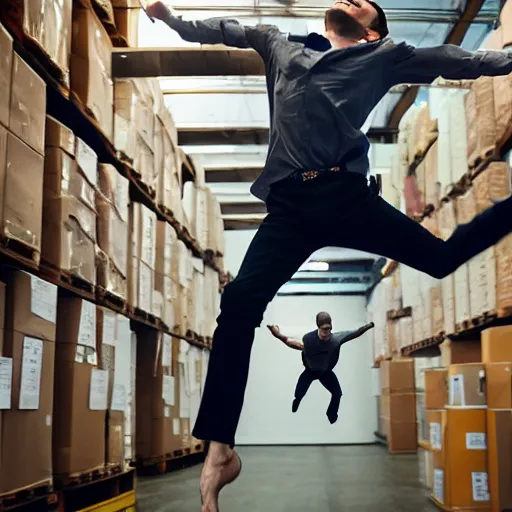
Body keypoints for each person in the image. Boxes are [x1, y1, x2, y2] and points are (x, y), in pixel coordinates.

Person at [145, 1, 512, 510]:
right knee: (239, 306)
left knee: (443, 258)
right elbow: (223, 29)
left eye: (363, 3)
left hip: (346, 198)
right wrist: (169, 19)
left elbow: (458, 60)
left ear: (369, 31)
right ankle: (220, 449)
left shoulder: (383, 56)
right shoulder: (280, 44)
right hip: (291, 205)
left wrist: (508, 60)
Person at [267, 313, 375, 424]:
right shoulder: (308, 339)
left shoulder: (336, 339)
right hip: (310, 371)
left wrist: (369, 326)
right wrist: (277, 334)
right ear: (318, 327)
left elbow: (355, 333)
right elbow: (289, 342)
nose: (325, 333)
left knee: (337, 394)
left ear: (331, 328)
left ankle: (331, 414)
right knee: (299, 393)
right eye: (323, 330)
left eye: (328, 330)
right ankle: (297, 400)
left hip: (325, 372)